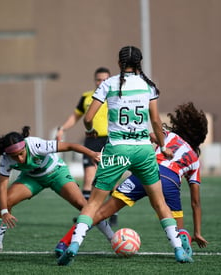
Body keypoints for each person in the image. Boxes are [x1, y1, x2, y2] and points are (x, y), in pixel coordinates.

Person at [58, 45, 193, 266]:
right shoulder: (148, 86)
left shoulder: (108, 83)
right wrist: (162, 145)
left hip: (116, 150)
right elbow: (157, 122)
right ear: (139, 63)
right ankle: (178, 249)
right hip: (143, 150)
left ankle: (74, 244)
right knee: (159, 203)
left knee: (93, 203)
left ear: (119, 62)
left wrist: (90, 127)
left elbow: (88, 117)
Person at [55, 102, 209, 256]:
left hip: (146, 173)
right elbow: (196, 203)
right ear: (199, 138)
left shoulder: (170, 136)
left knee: (100, 212)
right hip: (170, 183)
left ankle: (65, 242)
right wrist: (198, 232)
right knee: (177, 229)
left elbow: (151, 136)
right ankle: (183, 246)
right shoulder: (194, 159)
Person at [0, 126, 114, 258]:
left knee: (84, 206)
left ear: (25, 147)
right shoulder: (6, 158)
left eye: (21, 154)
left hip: (56, 173)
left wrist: (91, 154)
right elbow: (2, 188)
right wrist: (4, 211)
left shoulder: (36, 145)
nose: (20, 159)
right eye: (15, 157)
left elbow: (70, 146)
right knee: (5, 202)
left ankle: (112, 238)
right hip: (32, 178)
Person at [56, 67, 119, 227]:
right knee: (89, 179)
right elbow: (75, 116)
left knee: (112, 179)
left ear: (110, 80)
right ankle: (85, 213)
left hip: (111, 141)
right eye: (98, 79)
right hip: (92, 141)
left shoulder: (116, 95)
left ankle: (113, 214)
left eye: (105, 80)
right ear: (94, 80)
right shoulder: (87, 97)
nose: (101, 82)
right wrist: (62, 128)